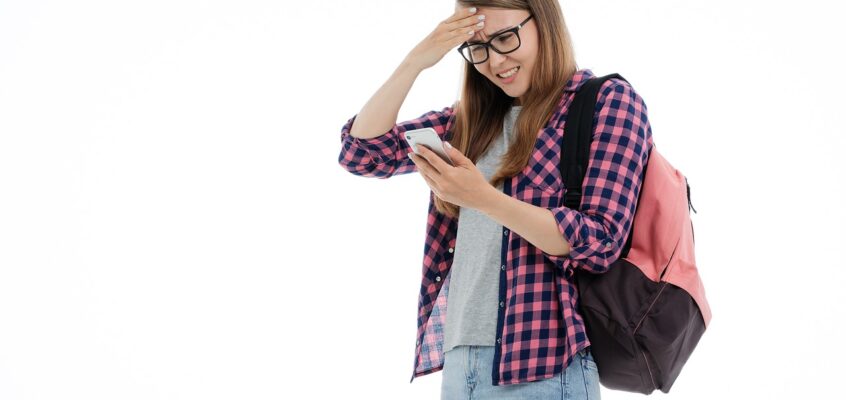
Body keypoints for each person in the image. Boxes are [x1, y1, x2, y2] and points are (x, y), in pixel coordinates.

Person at [337, 1, 653, 398]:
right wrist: (416, 60)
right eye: (478, 47)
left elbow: (600, 240)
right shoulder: (468, 122)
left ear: (544, 22)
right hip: (460, 364)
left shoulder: (606, 102)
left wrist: (483, 197)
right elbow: (363, 154)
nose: (494, 61)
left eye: (505, 37)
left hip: (543, 366)